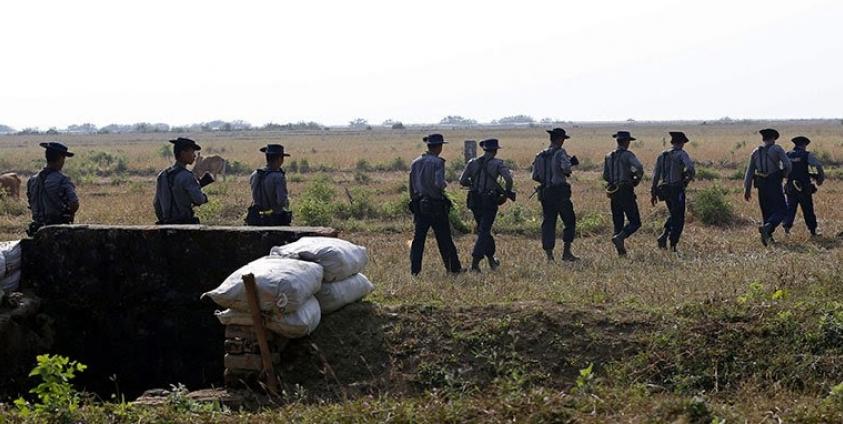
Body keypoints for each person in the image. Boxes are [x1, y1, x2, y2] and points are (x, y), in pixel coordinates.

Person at [408, 134, 463, 275]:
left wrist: (415, 203)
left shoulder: (415, 162)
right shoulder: (438, 163)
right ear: (439, 147)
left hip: (420, 205)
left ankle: (415, 271)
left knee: (418, 240)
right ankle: (453, 269)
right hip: (436, 206)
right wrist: (445, 185)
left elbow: (411, 185)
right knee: (444, 238)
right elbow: (439, 183)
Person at [459, 138, 514, 272]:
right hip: (489, 201)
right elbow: (508, 179)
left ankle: (491, 260)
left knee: (484, 230)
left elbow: (462, 181)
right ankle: (475, 262)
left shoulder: (472, 163)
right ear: (495, 151)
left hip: (475, 200)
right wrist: (506, 193)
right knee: (484, 231)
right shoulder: (497, 164)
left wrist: (474, 184)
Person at [532, 128, 579, 262]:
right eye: (563, 139)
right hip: (559, 192)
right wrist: (571, 164)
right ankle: (566, 253)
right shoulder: (560, 153)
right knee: (569, 221)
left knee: (548, 223)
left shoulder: (540, 155)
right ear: (559, 139)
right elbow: (566, 169)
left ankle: (549, 256)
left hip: (546, 193)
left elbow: (535, 176)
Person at [743, 128, 792, 246]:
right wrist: (784, 175)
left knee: (766, 211)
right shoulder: (777, 149)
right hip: (774, 183)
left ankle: (767, 238)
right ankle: (768, 227)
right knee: (782, 209)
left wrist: (747, 189)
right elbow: (788, 165)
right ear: (774, 139)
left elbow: (749, 173)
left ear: (763, 139)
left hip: (761, 185)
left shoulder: (755, 152)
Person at [650, 131, 696, 252]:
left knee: (673, 214)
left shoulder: (662, 155)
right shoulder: (681, 154)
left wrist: (653, 191)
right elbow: (690, 168)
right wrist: (687, 179)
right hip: (676, 189)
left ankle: (665, 236)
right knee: (679, 218)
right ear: (681, 143)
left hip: (664, 189)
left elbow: (655, 175)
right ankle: (672, 243)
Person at [603, 131, 644, 256]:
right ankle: (620, 237)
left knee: (618, 221)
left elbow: (605, 176)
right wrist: (636, 179)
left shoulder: (609, 156)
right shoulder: (628, 155)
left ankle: (620, 252)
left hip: (613, 190)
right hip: (625, 190)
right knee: (635, 222)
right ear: (626, 142)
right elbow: (639, 168)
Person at [26, 142, 79, 236]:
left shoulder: (32, 180)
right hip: (57, 230)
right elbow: (74, 203)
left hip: (36, 231)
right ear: (61, 159)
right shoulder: (63, 180)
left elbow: (31, 202)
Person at [154, 137, 211, 224]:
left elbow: (156, 203)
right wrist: (204, 197)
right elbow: (198, 199)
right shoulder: (187, 176)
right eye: (192, 152)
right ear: (183, 153)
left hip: (165, 224)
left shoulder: (163, 175)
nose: (194, 156)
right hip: (184, 224)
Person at [783, 136, 825, 236]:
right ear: (804, 145)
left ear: (795, 145)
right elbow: (818, 166)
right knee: (808, 209)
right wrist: (819, 179)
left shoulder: (788, 154)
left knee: (790, 208)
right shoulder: (807, 155)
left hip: (790, 187)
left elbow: (783, 169)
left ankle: (786, 229)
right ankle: (813, 231)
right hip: (804, 187)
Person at [245, 144, 292, 226]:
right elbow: (281, 201)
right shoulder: (278, 177)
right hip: (275, 220)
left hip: (255, 219)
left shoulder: (255, 174)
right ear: (279, 159)